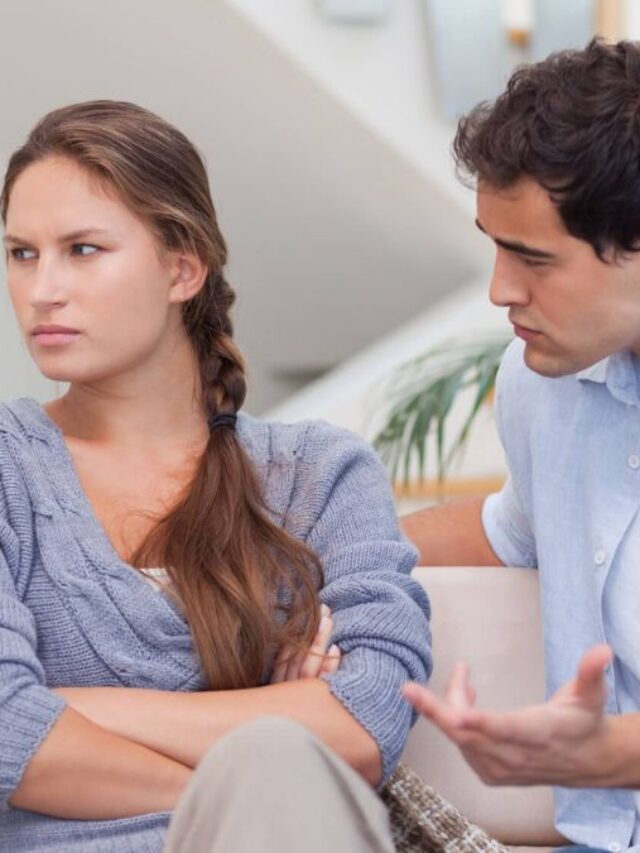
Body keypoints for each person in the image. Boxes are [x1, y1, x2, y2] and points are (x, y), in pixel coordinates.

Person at [0, 99, 431, 852]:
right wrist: (266, 767)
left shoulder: (320, 473)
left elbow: (367, 722)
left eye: (83, 249)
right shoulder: (11, 466)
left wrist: (58, 707)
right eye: (21, 253)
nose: (41, 291)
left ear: (183, 269)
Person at [401, 37, 640, 853]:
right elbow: (514, 528)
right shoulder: (542, 383)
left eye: (534, 258)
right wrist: (311, 554)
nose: (501, 289)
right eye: (496, 245)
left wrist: (612, 755)